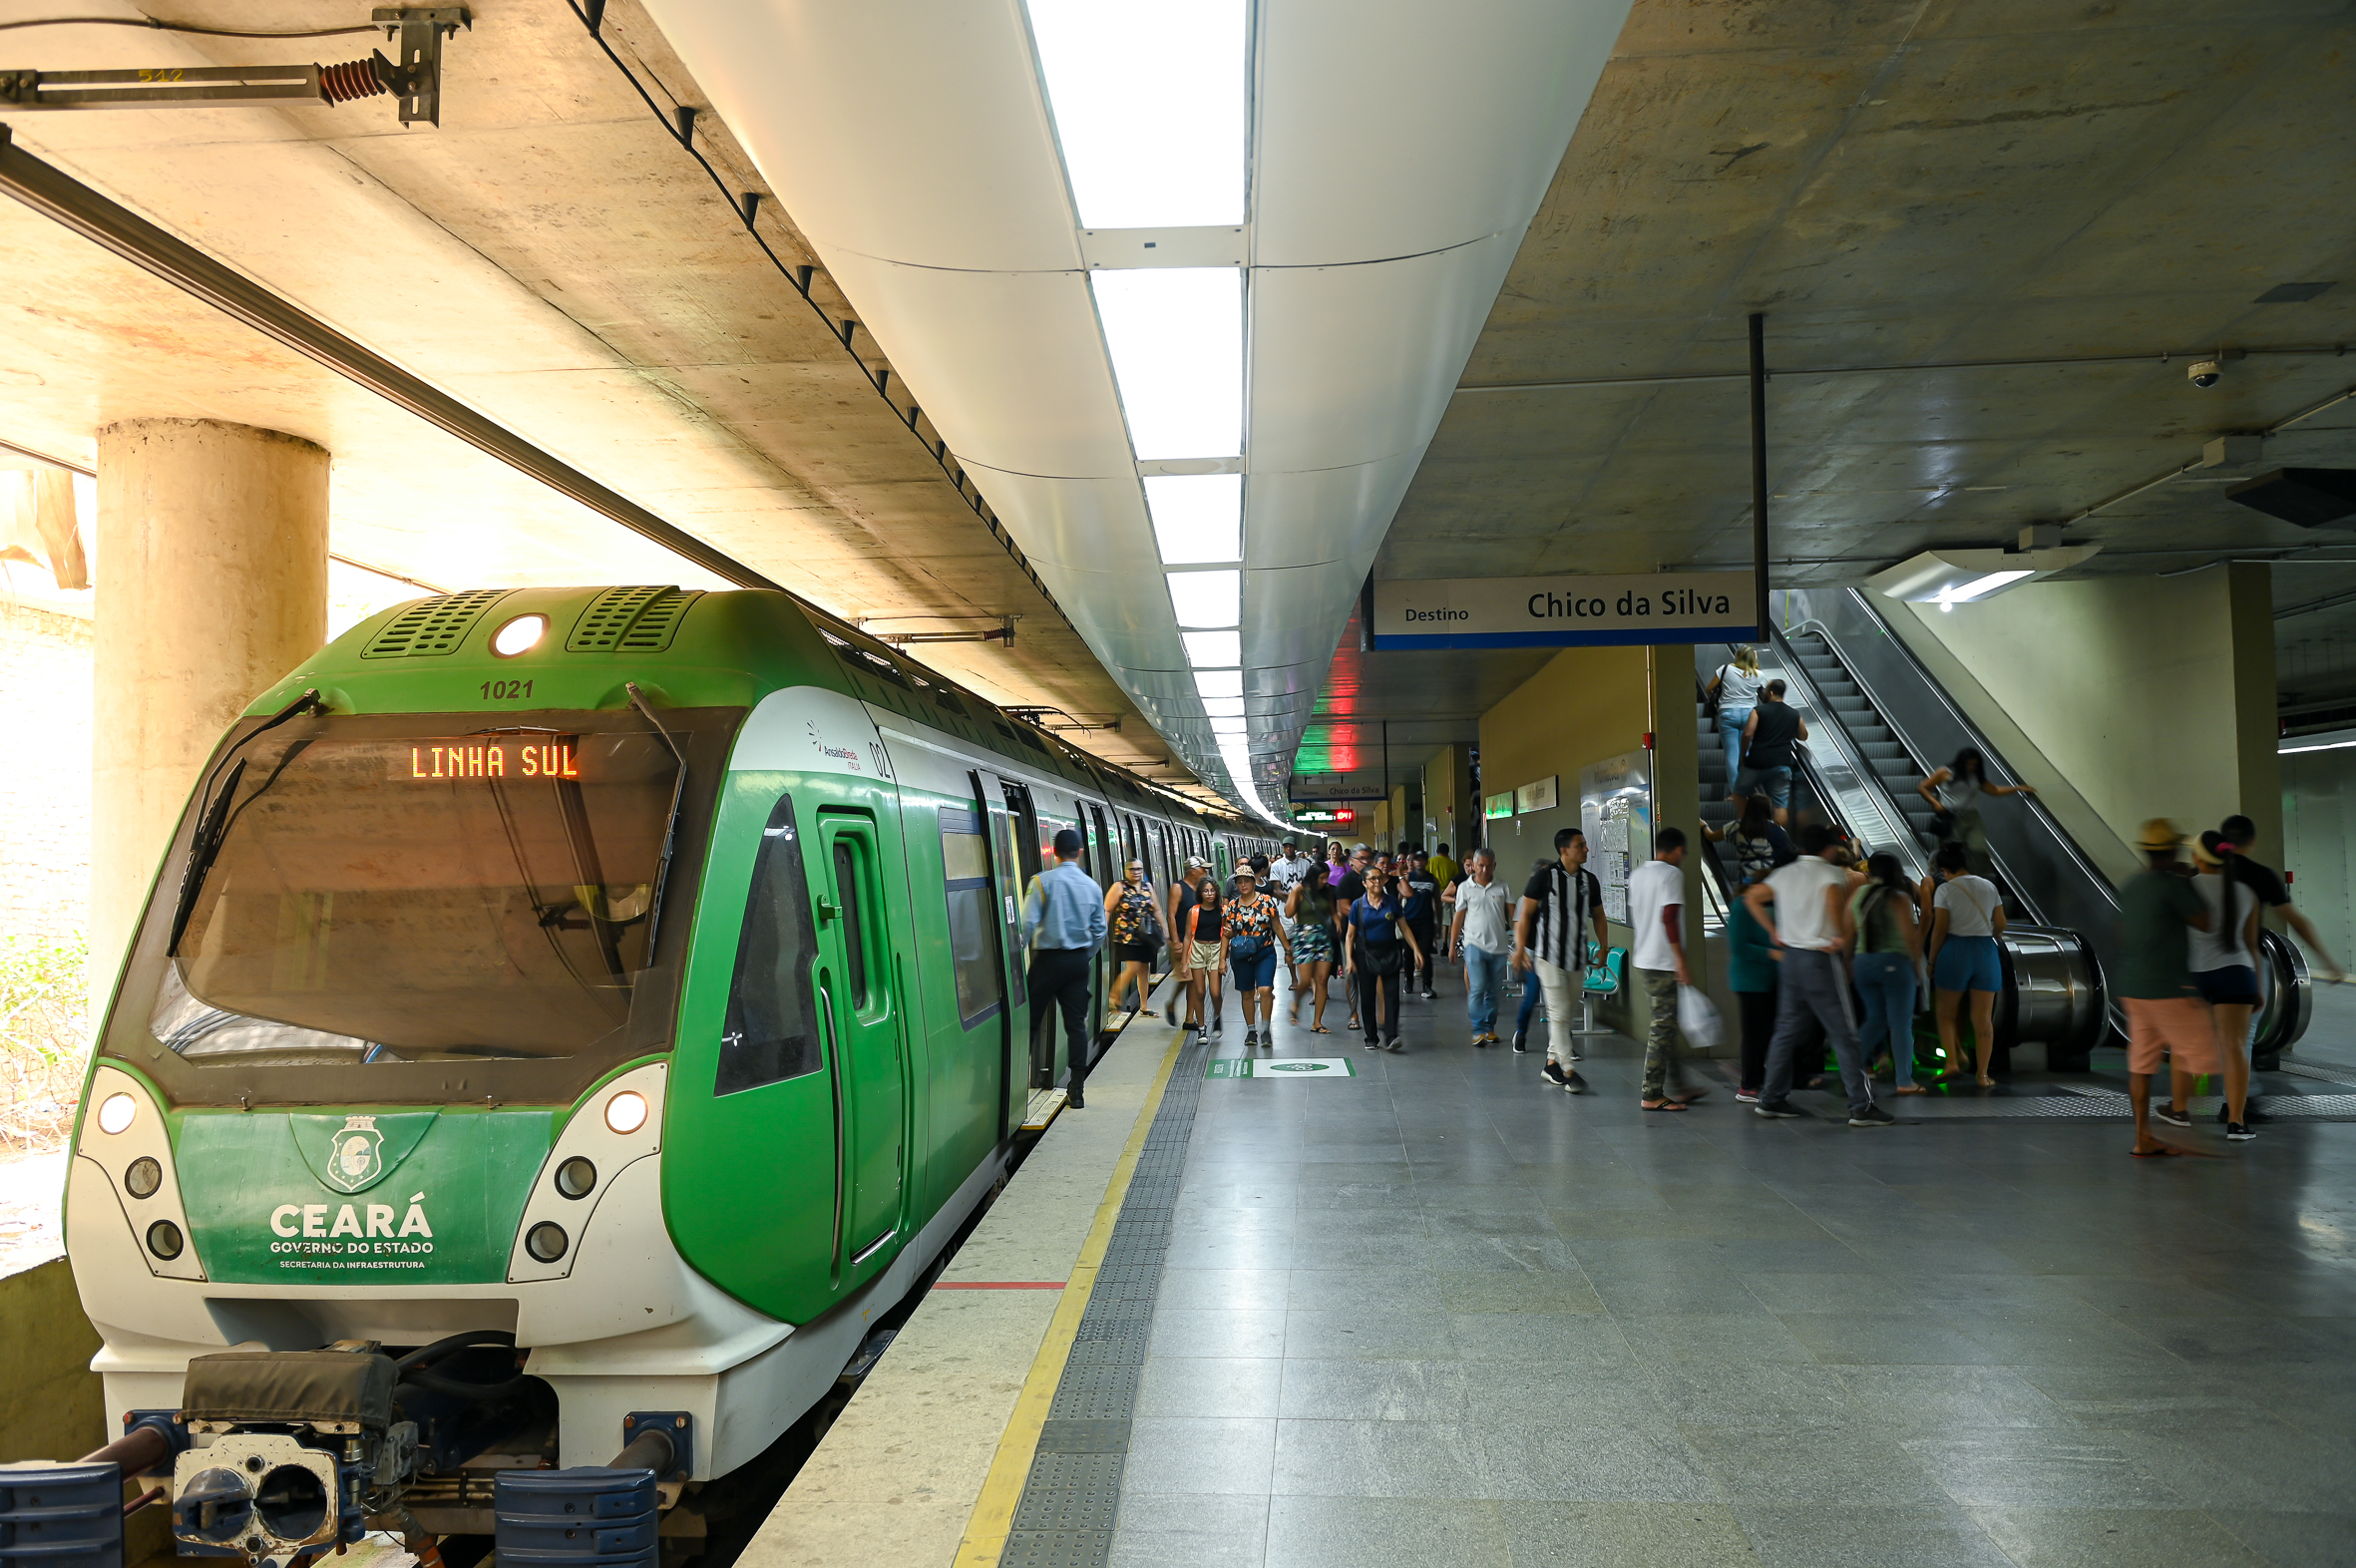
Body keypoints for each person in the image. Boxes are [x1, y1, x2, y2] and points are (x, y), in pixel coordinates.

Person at [1747, 824, 1894, 1127]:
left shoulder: (1783, 874)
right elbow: (1835, 910)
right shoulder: (1830, 875)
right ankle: (1861, 1106)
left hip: (1791, 961)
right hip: (1820, 959)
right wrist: (1841, 939)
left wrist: (1774, 932)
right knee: (1845, 1034)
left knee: (1785, 1030)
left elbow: (1751, 898)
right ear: (1828, 849)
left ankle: (1771, 1098)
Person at [2118, 820, 2214, 1158]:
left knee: (2142, 1064)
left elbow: (2124, 930)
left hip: (2134, 987)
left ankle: (2143, 1136)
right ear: (2172, 852)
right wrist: (2188, 882)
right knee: (2212, 1052)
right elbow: (2206, 921)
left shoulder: (2132, 885)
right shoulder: (2173, 885)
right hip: (2167, 988)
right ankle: (2193, 1115)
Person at [2170, 831, 2261, 1140]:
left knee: (2185, 1046)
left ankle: (2180, 1110)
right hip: (2237, 973)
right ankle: (2236, 1122)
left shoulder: (2185, 887)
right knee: (2234, 1047)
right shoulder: (2246, 892)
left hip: (2194, 975)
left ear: (2198, 858)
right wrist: (2258, 985)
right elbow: (2250, 943)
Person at [1512, 827, 1606, 1094]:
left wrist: (1603, 945)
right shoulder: (1544, 877)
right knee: (1558, 1013)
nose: (1586, 849)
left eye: (1585, 844)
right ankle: (1569, 1070)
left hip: (1577, 957)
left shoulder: (1589, 880)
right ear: (1564, 850)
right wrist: (1520, 948)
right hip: (1549, 958)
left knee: (1568, 1012)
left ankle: (1551, 1063)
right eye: (1581, 845)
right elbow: (1526, 914)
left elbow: (1598, 915)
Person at [1022, 828, 1108, 1109]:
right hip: (1076, 963)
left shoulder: (1041, 882)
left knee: (1030, 1021)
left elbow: (1026, 926)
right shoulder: (1092, 887)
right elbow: (1099, 931)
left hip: (1046, 961)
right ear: (1080, 852)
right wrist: (1085, 956)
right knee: (1076, 1027)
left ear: (1055, 853)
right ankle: (1077, 1090)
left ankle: (1019, 1082)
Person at [1625, 828, 1706, 1110]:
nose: (1683, 858)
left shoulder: (1638, 874)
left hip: (1644, 959)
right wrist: (1680, 960)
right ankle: (1651, 1093)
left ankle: (1681, 1088)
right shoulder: (1671, 875)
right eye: (1683, 852)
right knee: (1662, 1028)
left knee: (1667, 1024)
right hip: (1662, 962)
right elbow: (1669, 917)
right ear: (1675, 850)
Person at [2218, 812, 2344, 982]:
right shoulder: (2262, 875)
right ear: (2253, 839)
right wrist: (2328, 962)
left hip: (2205, 963)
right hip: (2248, 961)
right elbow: (2298, 924)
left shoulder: (2206, 873)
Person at [1924, 842, 2007, 1086]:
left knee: (1946, 1013)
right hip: (1985, 952)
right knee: (1982, 1018)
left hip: (1955, 951)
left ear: (1943, 870)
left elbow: (1940, 929)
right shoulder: (1988, 886)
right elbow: (2001, 924)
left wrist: (1931, 960)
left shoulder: (1946, 890)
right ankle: (1983, 1075)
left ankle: (1951, 1063)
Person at [1850, 852, 1925, 1094]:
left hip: (1862, 963)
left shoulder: (1859, 895)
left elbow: (1847, 930)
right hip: (1894, 963)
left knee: (1875, 1018)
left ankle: (1850, 1066)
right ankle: (1904, 1081)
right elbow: (1908, 936)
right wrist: (1916, 966)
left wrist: (1847, 962)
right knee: (1900, 1023)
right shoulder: (1898, 897)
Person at [1916, 748, 2036, 872]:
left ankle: (1974, 878)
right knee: (1949, 850)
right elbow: (1923, 787)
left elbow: (1994, 790)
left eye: (1974, 764)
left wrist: (2017, 788)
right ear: (1961, 761)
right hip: (1950, 817)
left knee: (1977, 847)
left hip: (1972, 817)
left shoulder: (1976, 776)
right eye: (1968, 764)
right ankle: (1937, 874)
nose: (1970, 767)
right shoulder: (1945, 772)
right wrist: (1936, 804)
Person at [1345, 866, 1421, 1051]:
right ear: (1364, 883)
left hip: (1390, 952)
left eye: (1379, 878)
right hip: (1365, 953)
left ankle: (1391, 1035)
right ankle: (1371, 1037)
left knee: (1392, 994)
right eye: (1372, 879)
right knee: (1368, 996)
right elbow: (1350, 935)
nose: (1377, 882)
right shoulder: (1357, 905)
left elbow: (1404, 927)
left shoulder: (1392, 902)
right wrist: (1349, 958)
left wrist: (1416, 950)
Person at [1221, 866, 1293, 1049]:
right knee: (1246, 993)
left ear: (1254, 882)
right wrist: (1222, 959)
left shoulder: (1267, 902)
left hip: (1265, 952)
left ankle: (1266, 1029)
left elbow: (1276, 926)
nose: (1243, 884)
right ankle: (1251, 1030)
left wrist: (1287, 948)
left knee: (1265, 989)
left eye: (1247, 880)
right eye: (1239, 882)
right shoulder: (1232, 907)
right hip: (1241, 956)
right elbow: (1226, 933)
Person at [1450, 848, 1515, 1046]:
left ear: (1494, 866)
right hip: (1473, 944)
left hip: (1498, 947)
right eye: (1480, 865)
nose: (1484, 870)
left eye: (1488, 865)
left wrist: (1520, 943)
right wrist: (1452, 945)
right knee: (1478, 987)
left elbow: (1514, 917)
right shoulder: (1464, 888)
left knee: (1494, 991)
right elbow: (1458, 917)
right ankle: (1478, 1029)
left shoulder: (1503, 887)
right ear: (1474, 866)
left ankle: (1489, 1028)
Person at [1727, 866, 1780, 1102]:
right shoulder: (1741, 906)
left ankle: (1760, 1077)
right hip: (1749, 981)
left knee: (1767, 1032)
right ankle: (1748, 1085)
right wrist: (1772, 954)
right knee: (1754, 1034)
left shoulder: (1769, 907)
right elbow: (1739, 947)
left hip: (1770, 979)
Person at [1737, 679, 1808, 824]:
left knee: (1739, 793)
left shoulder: (1758, 711)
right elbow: (1803, 736)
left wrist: (1743, 756)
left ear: (1770, 692)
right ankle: (1777, 839)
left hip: (1756, 763)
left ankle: (1747, 827)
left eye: (1765, 690)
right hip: (1781, 764)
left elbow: (1747, 734)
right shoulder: (1794, 714)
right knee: (1780, 805)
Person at [1287, 849, 1342, 1034]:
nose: (1325, 881)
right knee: (1305, 980)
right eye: (1322, 878)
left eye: (1327, 878)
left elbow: (1333, 911)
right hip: (1304, 937)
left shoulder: (1327, 892)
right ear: (1313, 876)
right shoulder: (1300, 890)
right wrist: (1295, 892)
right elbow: (1288, 913)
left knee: (1322, 980)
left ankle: (1317, 1022)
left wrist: (1337, 922)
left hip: (1324, 937)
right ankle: (1296, 1003)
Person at [1102, 859, 1161, 1019]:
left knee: (1143, 970)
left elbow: (1157, 910)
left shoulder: (1147, 887)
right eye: (1132, 869)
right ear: (1126, 871)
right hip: (1127, 936)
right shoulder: (1119, 887)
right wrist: (1102, 930)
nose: (1136, 872)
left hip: (1145, 936)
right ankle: (1114, 997)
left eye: (1139, 869)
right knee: (1133, 967)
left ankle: (1144, 1006)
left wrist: (1166, 930)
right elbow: (1107, 909)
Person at [1176, 879, 1228, 1046]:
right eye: (1205, 891)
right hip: (1197, 949)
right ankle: (1201, 1028)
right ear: (1200, 893)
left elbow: (1227, 934)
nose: (1209, 894)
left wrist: (1222, 959)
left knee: (1215, 992)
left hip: (1216, 949)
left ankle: (1217, 1016)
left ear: (1217, 892)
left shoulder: (1222, 911)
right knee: (1199, 992)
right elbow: (1187, 937)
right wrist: (1184, 962)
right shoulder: (1194, 911)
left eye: (1212, 890)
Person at [1706, 644, 1765, 789]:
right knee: (1747, 752)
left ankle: (1736, 792)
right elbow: (1765, 690)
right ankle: (1748, 787)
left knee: (1732, 753)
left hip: (1728, 713)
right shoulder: (1759, 675)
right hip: (1749, 715)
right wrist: (1756, 664)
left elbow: (1709, 688)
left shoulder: (1726, 669)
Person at [1707, 793, 1793, 883]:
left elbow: (1711, 837)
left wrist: (1704, 826)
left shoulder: (1737, 826)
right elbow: (1787, 850)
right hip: (1770, 875)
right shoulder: (1776, 829)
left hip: (1747, 875)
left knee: (1747, 895)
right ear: (1767, 809)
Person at [1167, 858, 1211, 1032]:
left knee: (1194, 980)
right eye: (1203, 869)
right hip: (1182, 940)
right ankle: (1171, 1004)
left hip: (1198, 940)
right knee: (1187, 977)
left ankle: (1189, 1018)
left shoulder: (1201, 889)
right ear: (1193, 870)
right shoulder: (1178, 888)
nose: (1206, 872)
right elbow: (1171, 915)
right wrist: (1175, 941)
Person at [1401, 848, 1442, 1000]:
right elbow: (1400, 896)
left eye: (1421, 859)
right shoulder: (1407, 877)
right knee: (1409, 954)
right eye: (1416, 859)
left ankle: (1427, 984)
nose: (1419, 862)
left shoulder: (1433, 880)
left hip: (1426, 921)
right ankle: (1409, 981)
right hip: (1409, 920)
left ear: (1426, 861)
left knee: (1425, 953)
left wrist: (1438, 922)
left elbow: (1437, 902)